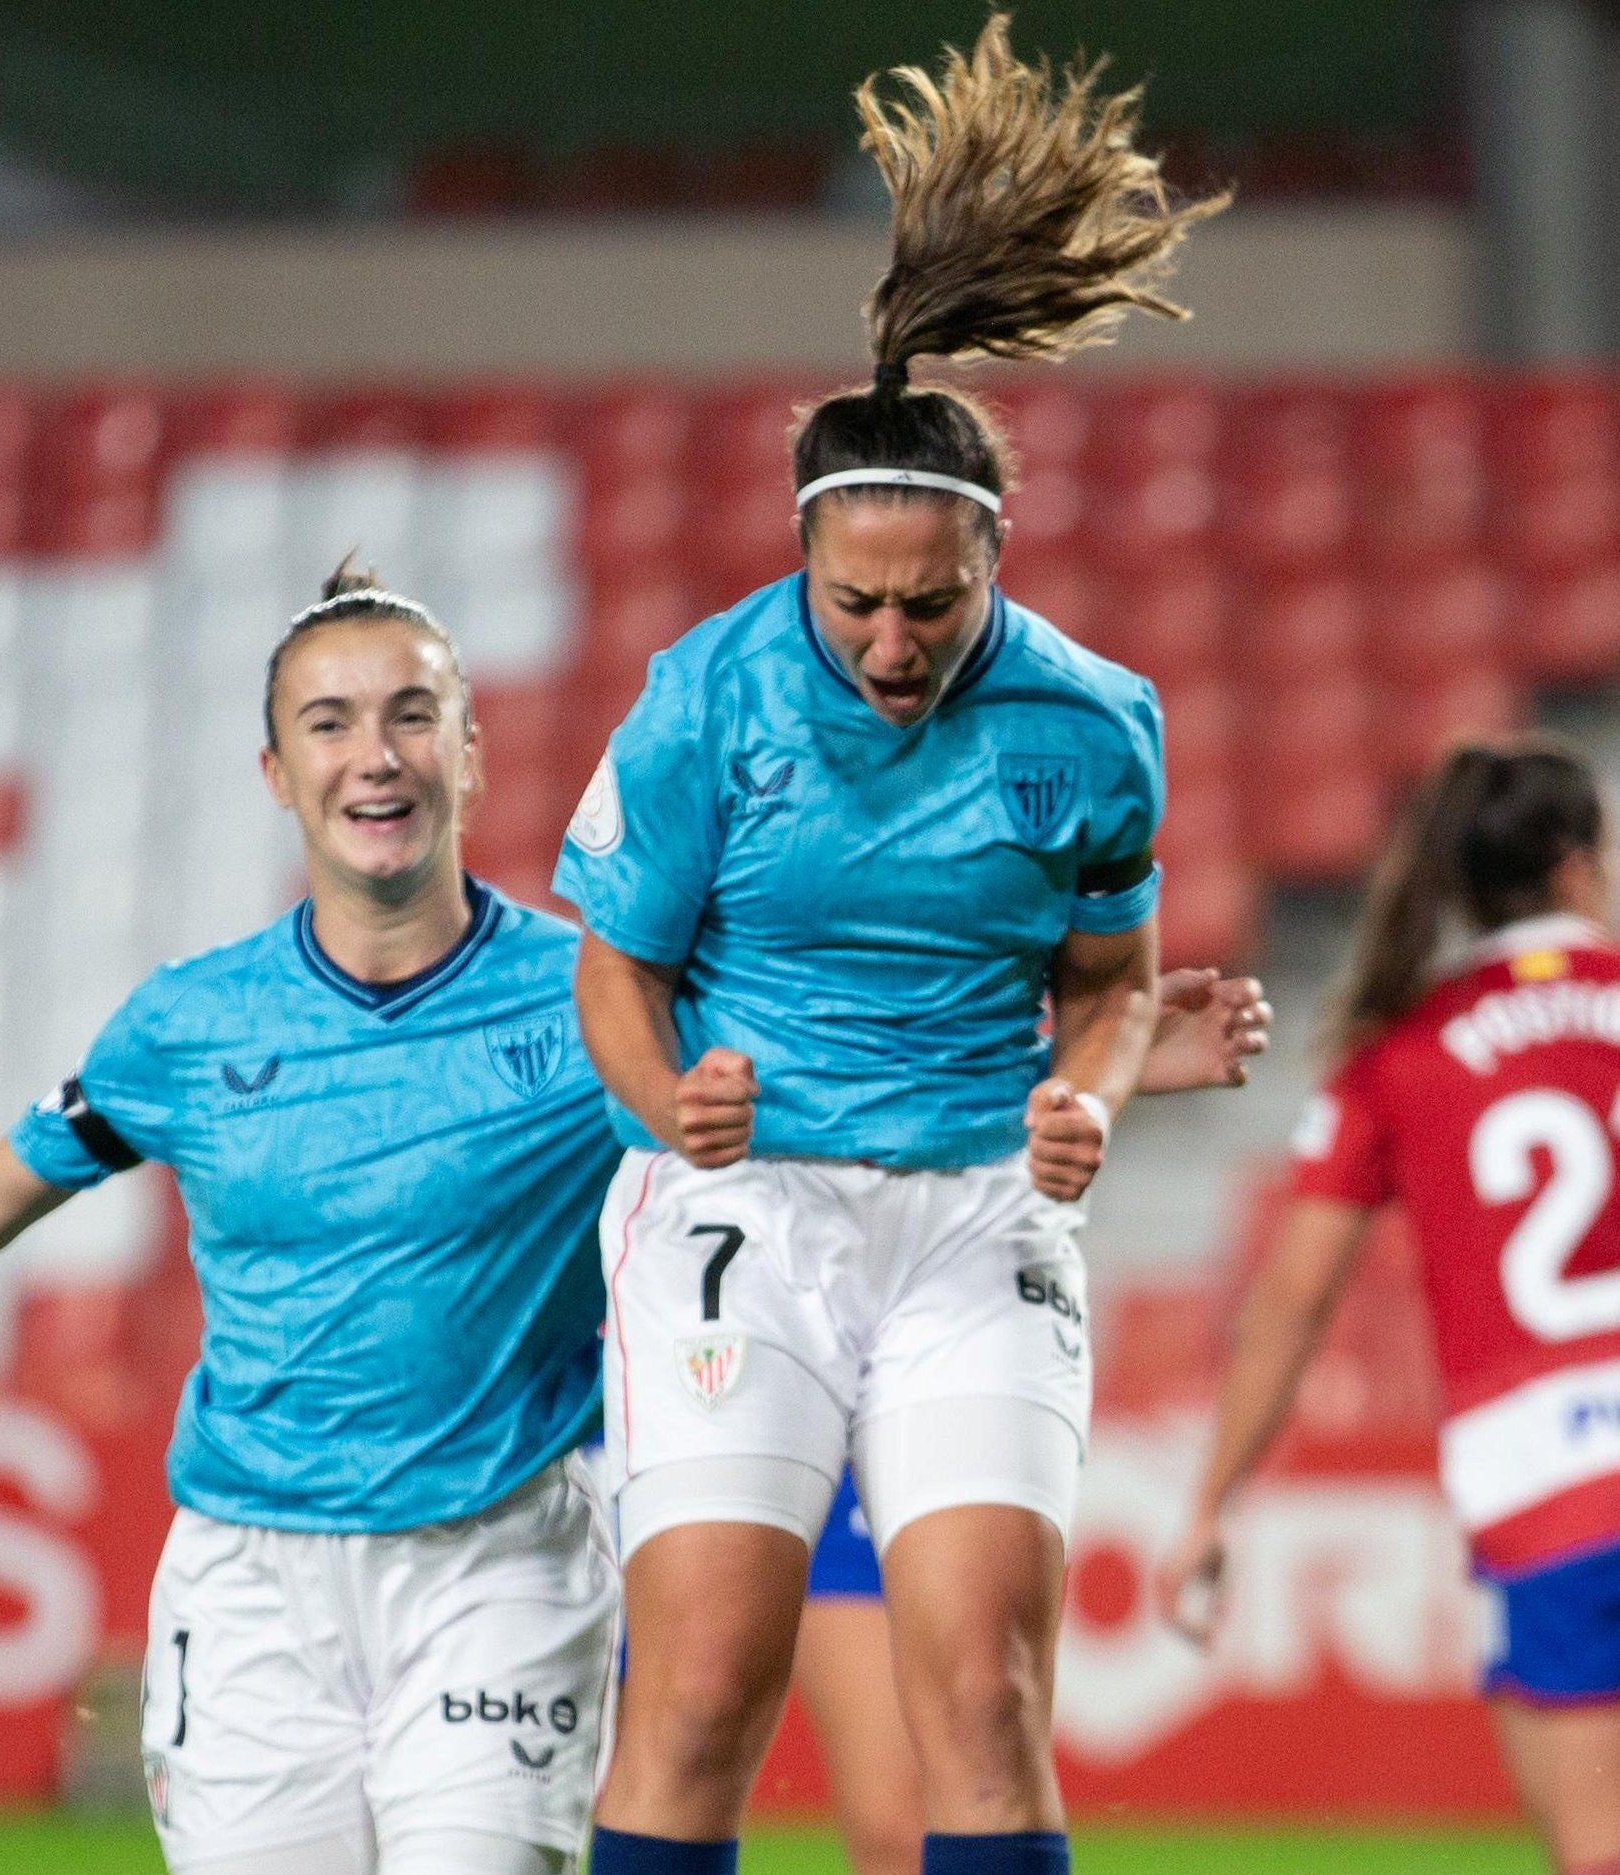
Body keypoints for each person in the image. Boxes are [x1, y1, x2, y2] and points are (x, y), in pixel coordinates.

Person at [0, 554, 1263, 1875]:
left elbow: (848, 1099)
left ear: (471, 746)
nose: (377, 753)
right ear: (276, 774)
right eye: (332, 722)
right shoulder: (187, 1024)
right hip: (248, 1581)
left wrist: (1110, 1055)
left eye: (411, 713)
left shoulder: (600, 1008)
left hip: (501, 1566)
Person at [557, 18, 1230, 1874]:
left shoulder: (1096, 726)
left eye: (928, 602)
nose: (886, 638)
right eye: (849, 598)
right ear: (802, 558)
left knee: (987, 1704)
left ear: (992, 559)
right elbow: (611, 966)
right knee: (694, 1695)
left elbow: (1104, 983)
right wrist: (662, 1106)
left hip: (969, 1222)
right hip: (741, 1212)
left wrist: (1086, 1098)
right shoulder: (701, 700)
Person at [1156, 741, 1620, 1875]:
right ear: (1575, 864)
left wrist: (1209, 1506)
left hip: (1547, 1483)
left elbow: (1292, 1302)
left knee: (1593, 1843)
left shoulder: (1403, 1049)